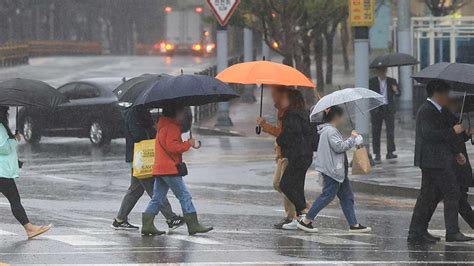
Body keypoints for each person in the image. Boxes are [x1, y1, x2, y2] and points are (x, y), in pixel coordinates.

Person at [407, 80, 473, 243]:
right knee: (452, 192)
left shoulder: (442, 111)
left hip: (441, 159)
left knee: (429, 197)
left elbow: (453, 134)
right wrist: (453, 130)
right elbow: (429, 134)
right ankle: (452, 232)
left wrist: (466, 135)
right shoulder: (426, 110)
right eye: (445, 93)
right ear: (437, 93)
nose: (448, 96)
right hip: (432, 160)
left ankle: (417, 232)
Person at [297, 106, 371, 233]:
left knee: (347, 196)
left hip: (338, 170)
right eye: (341, 116)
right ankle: (306, 221)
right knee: (327, 195)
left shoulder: (329, 130)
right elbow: (339, 147)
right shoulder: (330, 131)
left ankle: (354, 224)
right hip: (333, 170)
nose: (342, 119)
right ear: (336, 116)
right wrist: (353, 139)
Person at [142, 106, 212, 236]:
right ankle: (193, 224)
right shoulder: (172, 127)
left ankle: (147, 224)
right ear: (175, 113)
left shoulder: (162, 125)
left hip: (160, 168)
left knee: (157, 198)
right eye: (181, 111)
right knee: (184, 196)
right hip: (169, 168)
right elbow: (173, 147)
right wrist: (188, 144)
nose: (183, 115)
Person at [112, 106, 184, 230]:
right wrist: (151, 130)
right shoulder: (134, 114)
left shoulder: (141, 112)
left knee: (136, 190)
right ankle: (171, 218)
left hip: (139, 157)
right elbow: (138, 135)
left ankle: (120, 219)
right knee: (154, 188)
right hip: (140, 157)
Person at [0, 106, 52, 239]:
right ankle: (29, 228)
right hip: (2, 172)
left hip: (3, 171)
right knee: (14, 199)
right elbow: (3, 148)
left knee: (14, 199)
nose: (8, 113)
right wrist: (14, 139)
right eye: (6, 111)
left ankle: (29, 228)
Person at [256, 85, 298, 229]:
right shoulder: (281, 110)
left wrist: (265, 126)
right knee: (278, 184)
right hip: (282, 152)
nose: (271, 95)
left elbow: (282, 134)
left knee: (284, 185)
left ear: (282, 94)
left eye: (273, 93)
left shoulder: (289, 112)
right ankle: (301, 206)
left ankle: (293, 215)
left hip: (289, 153)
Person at [275, 90, 313, 229]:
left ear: (291, 100)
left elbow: (292, 134)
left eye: (284, 97)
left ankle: (303, 211)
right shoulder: (304, 113)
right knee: (297, 186)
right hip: (306, 154)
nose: (282, 100)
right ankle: (300, 218)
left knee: (285, 184)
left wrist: (280, 139)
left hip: (297, 155)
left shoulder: (291, 115)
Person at [369, 67, 400, 163]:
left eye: (383, 71)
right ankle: (377, 153)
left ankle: (390, 152)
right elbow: (369, 96)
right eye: (380, 71)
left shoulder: (392, 81)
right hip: (377, 109)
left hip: (388, 108)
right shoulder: (372, 81)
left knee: (390, 131)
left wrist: (396, 90)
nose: (382, 73)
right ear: (377, 72)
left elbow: (399, 94)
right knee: (376, 132)